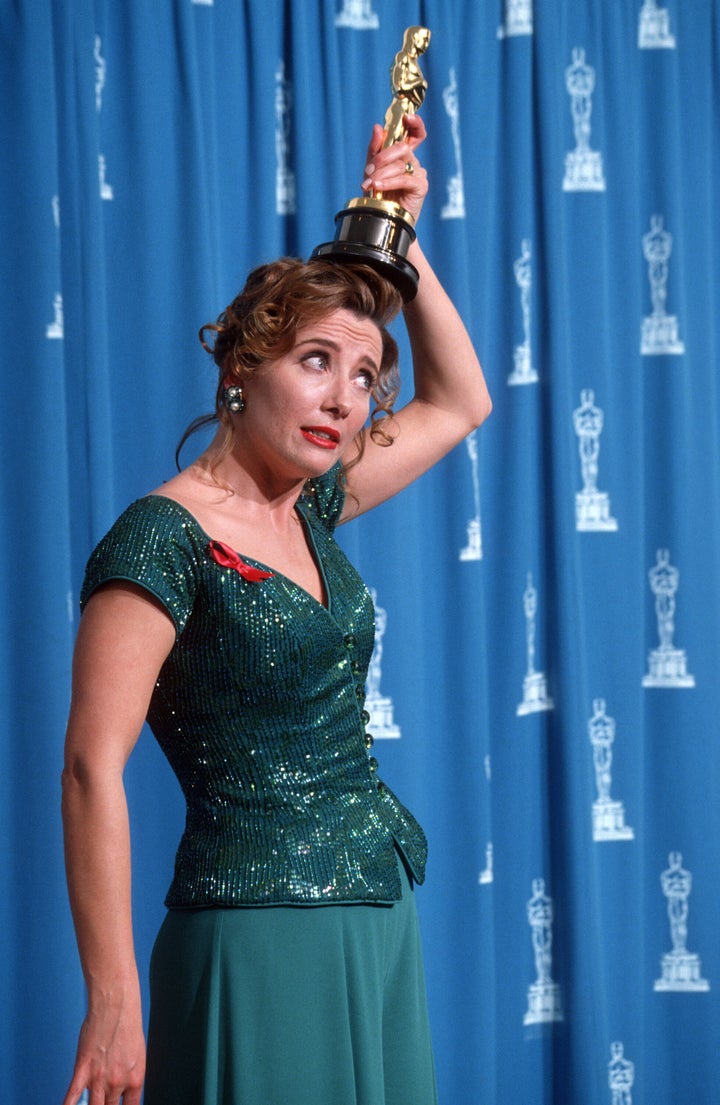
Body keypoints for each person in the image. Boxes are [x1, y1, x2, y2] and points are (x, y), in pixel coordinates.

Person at [61, 115, 491, 1105]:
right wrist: (113, 995)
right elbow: (90, 767)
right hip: (254, 931)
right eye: (315, 360)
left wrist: (400, 243)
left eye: (365, 376)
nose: (345, 397)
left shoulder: (314, 503)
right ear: (242, 365)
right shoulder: (159, 539)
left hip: (376, 918)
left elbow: (462, 399)